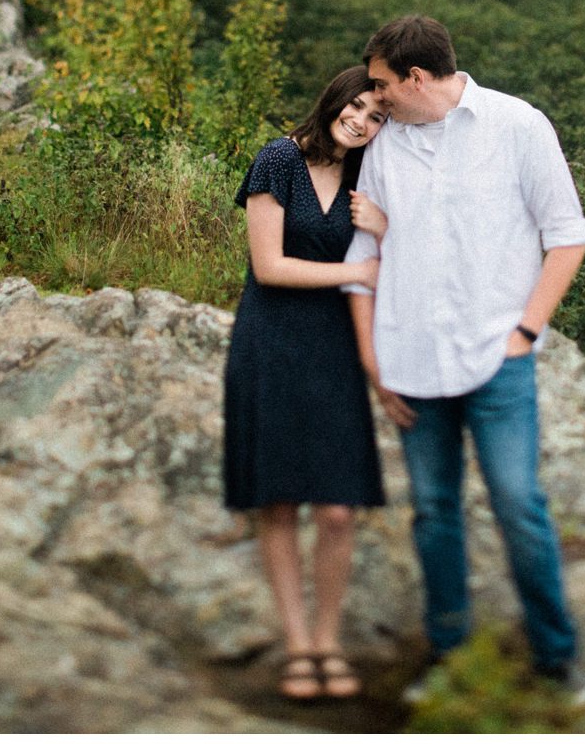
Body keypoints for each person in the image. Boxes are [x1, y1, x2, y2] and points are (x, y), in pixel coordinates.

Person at [341, 15, 585, 707]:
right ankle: (450, 655)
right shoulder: (385, 149)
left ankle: (557, 660)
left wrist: (525, 331)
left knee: (519, 504)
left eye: (380, 83)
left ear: (416, 78)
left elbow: (567, 236)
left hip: (498, 357)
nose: (375, 97)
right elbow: (363, 260)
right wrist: (374, 367)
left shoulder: (518, 126)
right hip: (410, 362)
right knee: (433, 510)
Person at [223, 65, 393, 702]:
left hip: (338, 347)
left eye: (377, 116)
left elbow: (400, 255)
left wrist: (382, 230)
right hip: (270, 340)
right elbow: (268, 267)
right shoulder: (277, 159)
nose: (361, 120)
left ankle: (328, 639)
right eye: (357, 105)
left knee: (338, 509)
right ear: (336, 97)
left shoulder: (365, 178)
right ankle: (298, 644)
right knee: (279, 500)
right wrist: (366, 273)